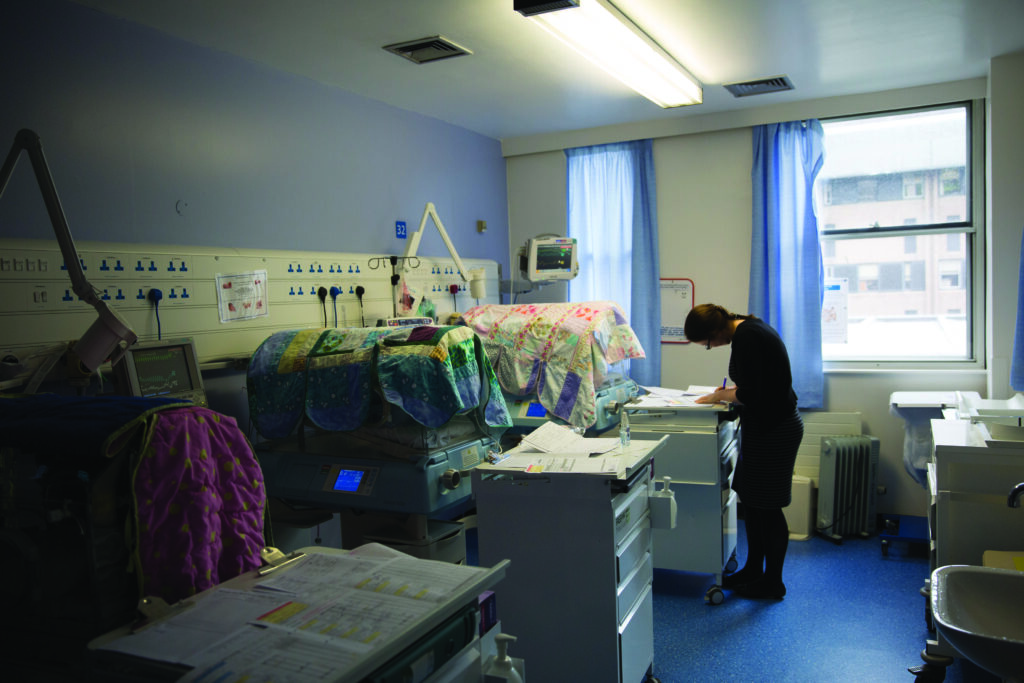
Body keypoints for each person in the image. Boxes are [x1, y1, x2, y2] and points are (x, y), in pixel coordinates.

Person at [683, 303, 803, 599]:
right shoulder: (749, 330)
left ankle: (773, 582)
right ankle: (753, 569)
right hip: (766, 426)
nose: (712, 347)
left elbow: (754, 392)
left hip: (775, 429)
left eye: (707, 344)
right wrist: (730, 394)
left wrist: (721, 395)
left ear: (714, 331)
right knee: (751, 502)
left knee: (768, 507)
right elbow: (757, 382)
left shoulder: (748, 335)